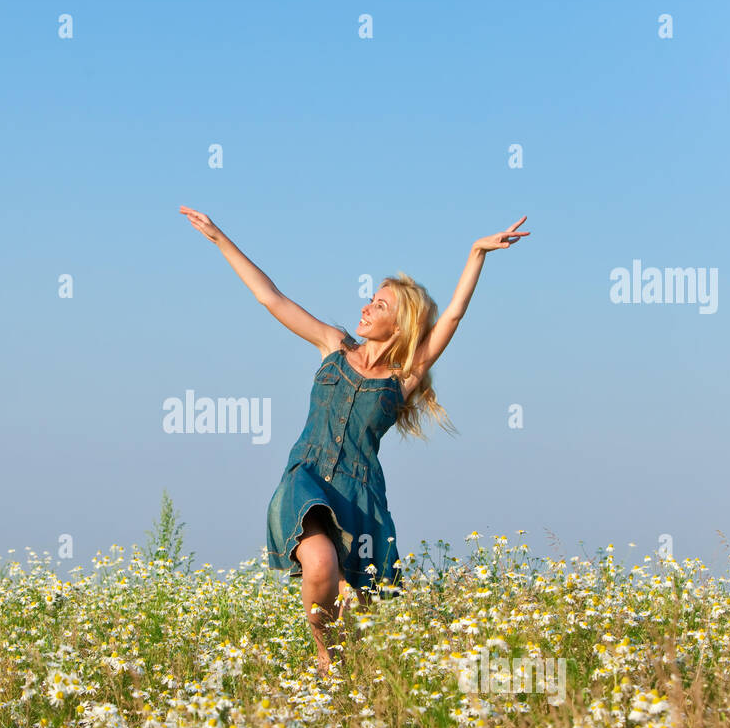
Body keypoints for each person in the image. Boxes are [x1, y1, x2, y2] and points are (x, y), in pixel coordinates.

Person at [179, 206, 529, 678]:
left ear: (401, 325)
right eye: (370, 299)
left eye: (380, 305)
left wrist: (476, 254)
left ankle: (343, 670)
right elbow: (271, 298)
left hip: (360, 497)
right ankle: (324, 654)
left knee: (361, 612)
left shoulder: (402, 378)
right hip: (305, 479)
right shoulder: (332, 344)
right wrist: (219, 238)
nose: (366, 307)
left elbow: (452, 317)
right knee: (320, 561)